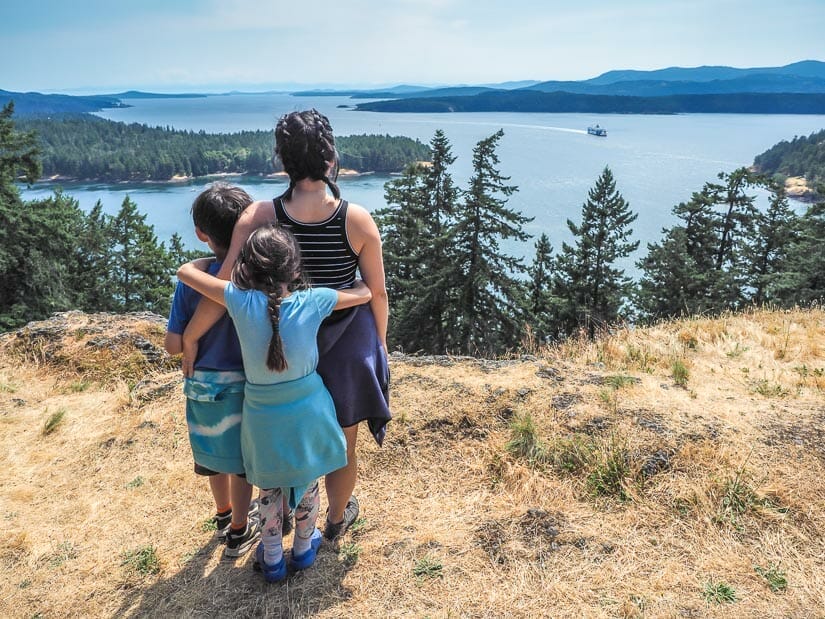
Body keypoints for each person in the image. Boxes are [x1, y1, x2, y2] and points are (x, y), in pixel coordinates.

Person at [182, 109, 391, 542]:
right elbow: (378, 293)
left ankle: (279, 528)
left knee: (280, 441)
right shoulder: (357, 219)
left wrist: (191, 335)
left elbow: (224, 289)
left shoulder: (260, 216)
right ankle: (334, 520)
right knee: (343, 444)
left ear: (281, 160)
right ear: (330, 156)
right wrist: (381, 347)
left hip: (283, 345)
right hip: (349, 343)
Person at [176, 224, 373, 582]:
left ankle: (271, 559)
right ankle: (302, 547)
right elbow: (363, 293)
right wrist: (359, 281)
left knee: (268, 489)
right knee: (308, 480)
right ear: (295, 270)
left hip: (260, 413)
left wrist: (224, 257)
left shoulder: (238, 299)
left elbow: (185, 272)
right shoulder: (315, 299)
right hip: (307, 409)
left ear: (246, 269)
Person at [164, 182, 261, 558]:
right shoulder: (256, 278)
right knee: (242, 462)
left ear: (202, 233)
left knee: (211, 457)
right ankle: (239, 529)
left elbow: (174, 345)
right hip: (245, 383)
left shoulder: (193, 282)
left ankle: (223, 517)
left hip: (201, 385)